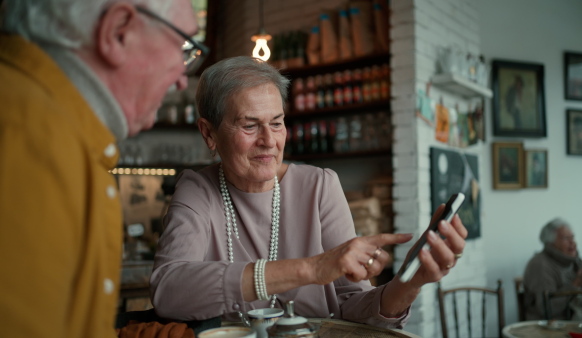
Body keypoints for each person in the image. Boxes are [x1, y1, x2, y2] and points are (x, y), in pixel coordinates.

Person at [150, 56, 468, 329]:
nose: (269, 140)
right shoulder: (197, 189)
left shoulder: (319, 186)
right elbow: (169, 290)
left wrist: (410, 283)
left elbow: (353, 307)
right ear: (209, 133)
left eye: (277, 123)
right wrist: (312, 269)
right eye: (250, 126)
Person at [0, 1, 203, 337]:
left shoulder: (60, 129)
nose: (184, 79)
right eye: (184, 46)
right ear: (118, 32)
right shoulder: (31, 136)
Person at [523, 218, 582, 320]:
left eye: (572, 237)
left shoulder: (574, 260)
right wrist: (576, 283)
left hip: (578, 320)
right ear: (550, 243)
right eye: (565, 238)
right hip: (552, 327)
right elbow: (546, 309)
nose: (572, 242)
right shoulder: (540, 265)